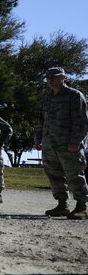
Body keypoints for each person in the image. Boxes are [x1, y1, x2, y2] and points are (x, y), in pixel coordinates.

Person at [34, 67, 88, 220]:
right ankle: (62, 205)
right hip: (49, 144)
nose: (51, 79)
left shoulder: (74, 95)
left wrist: (75, 141)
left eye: (54, 76)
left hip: (68, 145)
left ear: (63, 77)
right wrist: (38, 140)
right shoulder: (47, 99)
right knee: (54, 175)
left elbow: (81, 122)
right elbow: (41, 122)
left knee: (74, 175)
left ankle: (81, 207)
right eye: (48, 77)